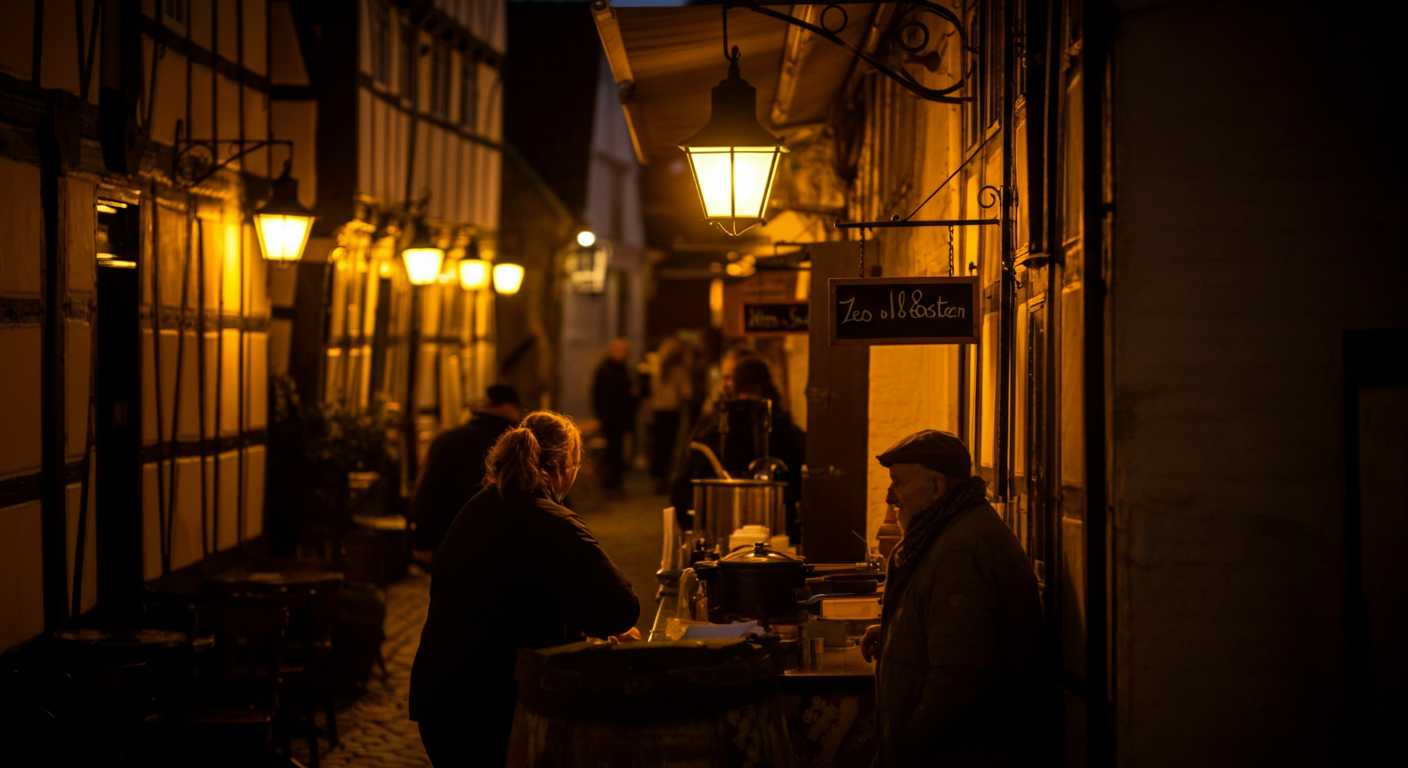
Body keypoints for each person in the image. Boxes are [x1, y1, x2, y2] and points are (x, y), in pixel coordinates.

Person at [408, 411, 640, 768]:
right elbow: (620, 609)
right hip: (495, 706)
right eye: (575, 466)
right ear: (564, 467)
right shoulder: (554, 521)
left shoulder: (477, 507)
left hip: (440, 698)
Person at [859, 430, 1043, 767]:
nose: (890, 497)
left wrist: (907, 747)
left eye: (898, 483)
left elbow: (959, 680)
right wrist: (897, 634)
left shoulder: (963, 548)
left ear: (936, 487)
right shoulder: (950, 530)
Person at [669, 356, 806, 541]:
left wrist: (696, 530)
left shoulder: (713, 428)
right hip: (775, 533)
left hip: (723, 532)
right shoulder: (783, 428)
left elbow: (683, 485)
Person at [409, 384, 523, 567]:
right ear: (511, 408)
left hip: (454, 545)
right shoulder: (524, 448)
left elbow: (427, 493)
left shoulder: (450, 441)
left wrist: (421, 541)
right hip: (510, 549)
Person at [591, 338, 638, 497]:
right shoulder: (607, 371)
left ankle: (614, 484)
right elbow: (603, 396)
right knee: (612, 456)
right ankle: (611, 485)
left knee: (617, 455)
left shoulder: (619, 369)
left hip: (618, 420)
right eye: (625, 352)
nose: (627, 356)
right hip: (612, 420)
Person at [647, 337, 693, 494]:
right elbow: (687, 393)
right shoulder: (679, 371)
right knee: (670, 447)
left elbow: (650, 393)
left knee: (657, 446)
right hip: (672, 413)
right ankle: (665, 478)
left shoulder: (656, 370)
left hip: (657, 411)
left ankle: (656, 478)